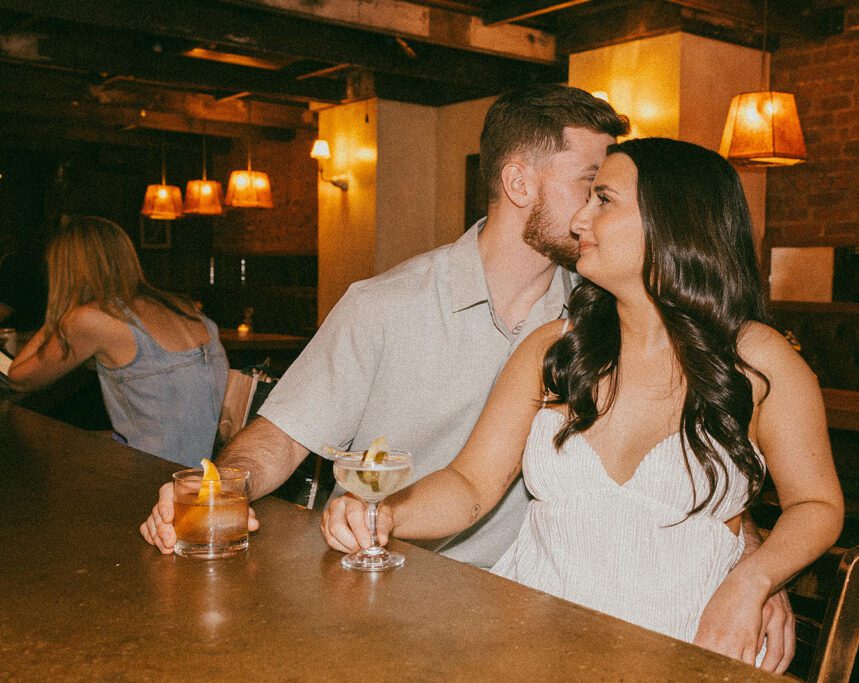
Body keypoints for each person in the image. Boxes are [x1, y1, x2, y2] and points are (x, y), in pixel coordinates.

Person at [141, 87, 795, 670]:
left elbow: (692, 467)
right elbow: (279, 440)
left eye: (607, 193)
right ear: (519, 183)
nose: (590, 212)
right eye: (589, 183)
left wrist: (758, 568)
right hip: (391, 599)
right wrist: (209, 495)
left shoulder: (609, 313)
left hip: (549, 614)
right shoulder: (384, 305)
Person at [322, 139, 843, 666]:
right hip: (533, 641)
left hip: (687, 643)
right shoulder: (554, 347)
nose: (578, 220)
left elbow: (816, 505)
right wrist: (385, 513)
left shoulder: (759, 360)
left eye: (604, 200)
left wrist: (753, 583)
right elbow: (471, 485)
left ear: (672, 222)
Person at [8, 216, 228, 467]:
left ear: (64, 270)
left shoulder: (91, 318)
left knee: (34, 458)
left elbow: (20, 378)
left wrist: (59, 311)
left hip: (153, 478)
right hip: (205, 470)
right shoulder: (184, 308)